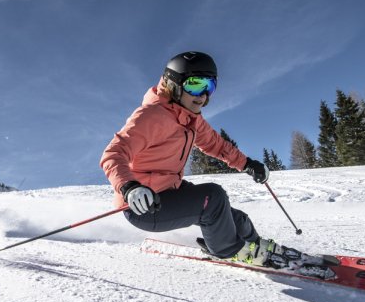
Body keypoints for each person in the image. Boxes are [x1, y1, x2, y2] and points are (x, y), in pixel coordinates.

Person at [100, 51, 307, 269]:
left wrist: (247, 164)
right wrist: (130, 187)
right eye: (195, 85)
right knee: (213, 198)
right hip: (145, 205)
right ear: (174, 85)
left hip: (169, 190)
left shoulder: (191, 119)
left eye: (210, 86)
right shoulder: (151, 116)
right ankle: (228, 250)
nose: (203, 95)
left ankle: (256, 245)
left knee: (235, 218)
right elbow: (113, 153)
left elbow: (217, 145)